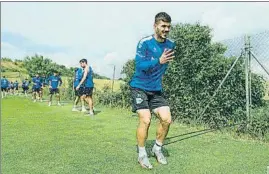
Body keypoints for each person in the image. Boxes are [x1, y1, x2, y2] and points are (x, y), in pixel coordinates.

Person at [129, 12, 176, 169]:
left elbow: (164, 67)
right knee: (146, 119)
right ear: (155, 25)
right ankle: (142, 155)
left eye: (168, 26)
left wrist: (160, 66)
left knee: (166, 119)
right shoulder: (144, 43)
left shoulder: (170, 45)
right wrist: (158, 60)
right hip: (139, 86)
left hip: (155, 90)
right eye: (163, 26)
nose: (166, 29)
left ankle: (157, 148)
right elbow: (140, 67)